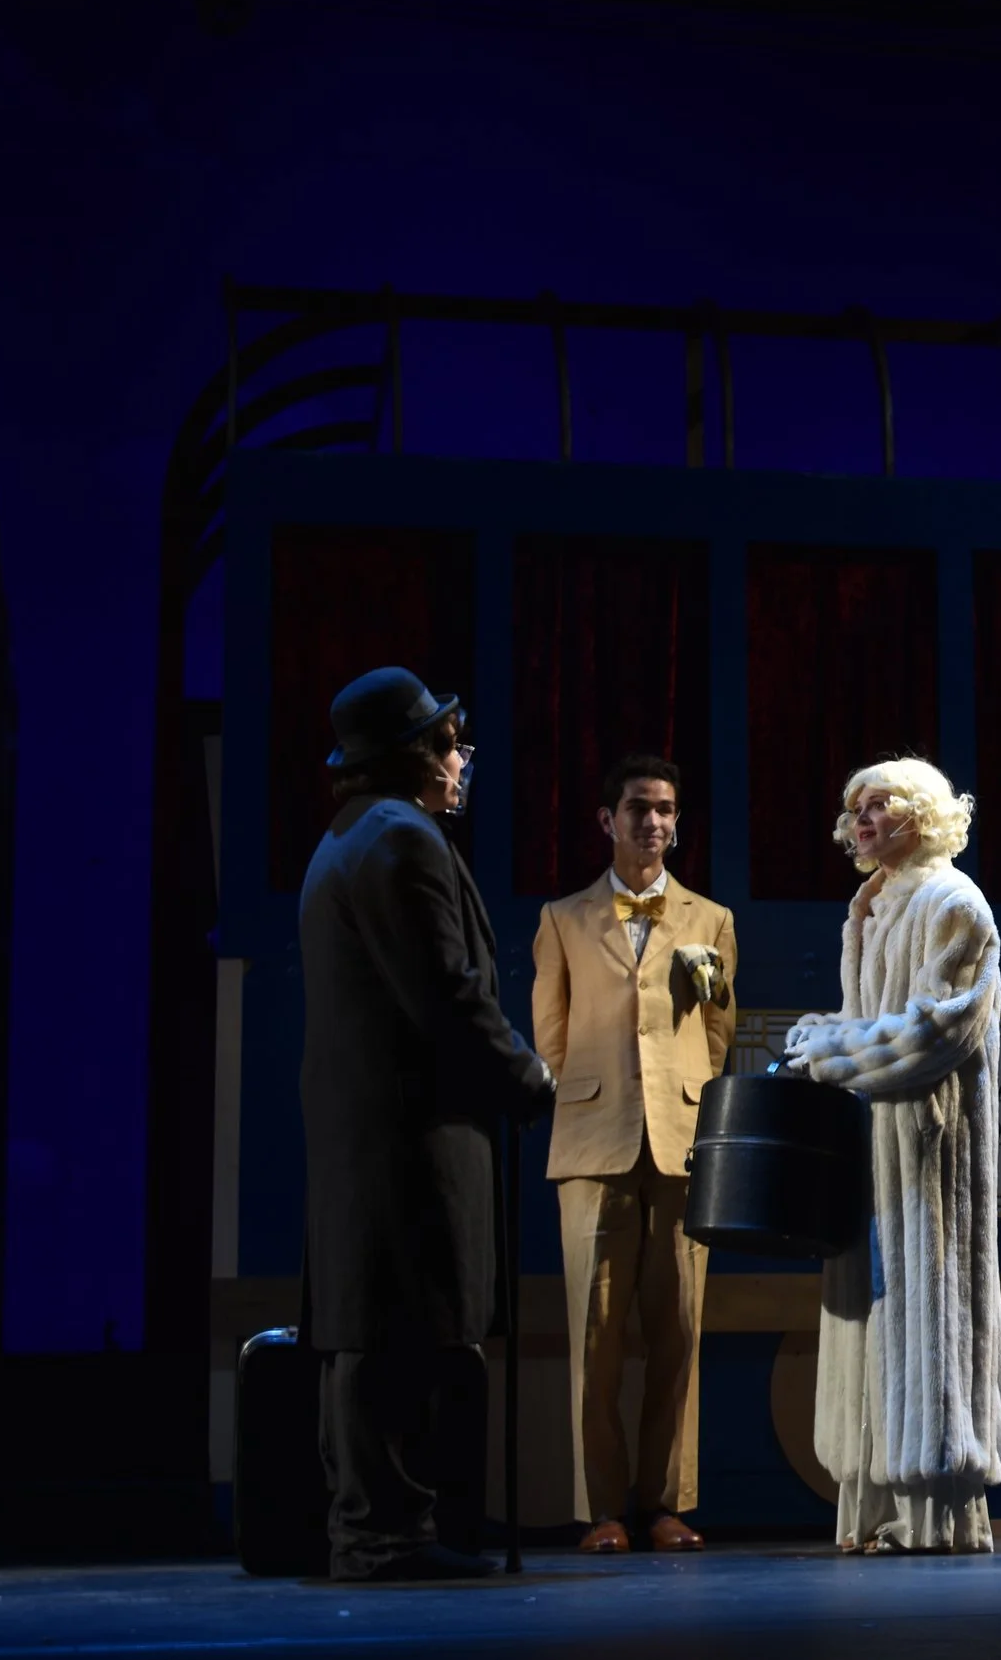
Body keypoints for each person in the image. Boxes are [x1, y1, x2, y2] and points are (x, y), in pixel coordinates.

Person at [299, 666, 556, 1581]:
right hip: (409, 1130)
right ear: (413, 755)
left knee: (377, 1322)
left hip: (372, 1128)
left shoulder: (351, 834)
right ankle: (385, 1534)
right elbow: (446, 994)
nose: (459, 759)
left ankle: (378, 1526)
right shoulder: (400, 839)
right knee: (400, 1324)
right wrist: (526, 1074)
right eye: (447, 743)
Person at [778, 757, 1001, 1553]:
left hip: (927, 1149)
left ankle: (934, 1512)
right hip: (868, 1149)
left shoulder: (955, 902)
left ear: (921, 813)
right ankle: (872, 1506)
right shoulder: (872, 908)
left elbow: (935, 1031)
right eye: (855, 807)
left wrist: (834, 1052)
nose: (862, 819)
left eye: (879, 804)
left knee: (930, 1315)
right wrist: (823, 1034)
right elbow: (866, 1017)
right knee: (874, 1315)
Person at [530, 753, 738, 1554]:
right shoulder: (563, 918)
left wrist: (686, 1103)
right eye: (639, 807)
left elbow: (717, 1033)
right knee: (597, 1334)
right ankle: (601, 1508)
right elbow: (551, 1036)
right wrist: (589, 1098)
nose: (654, 821)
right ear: (607, 819)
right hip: (594, 1141)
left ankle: (665, 1502)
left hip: (682, 1144)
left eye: (666, 809)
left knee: (678, 1328)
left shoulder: (710, 918)